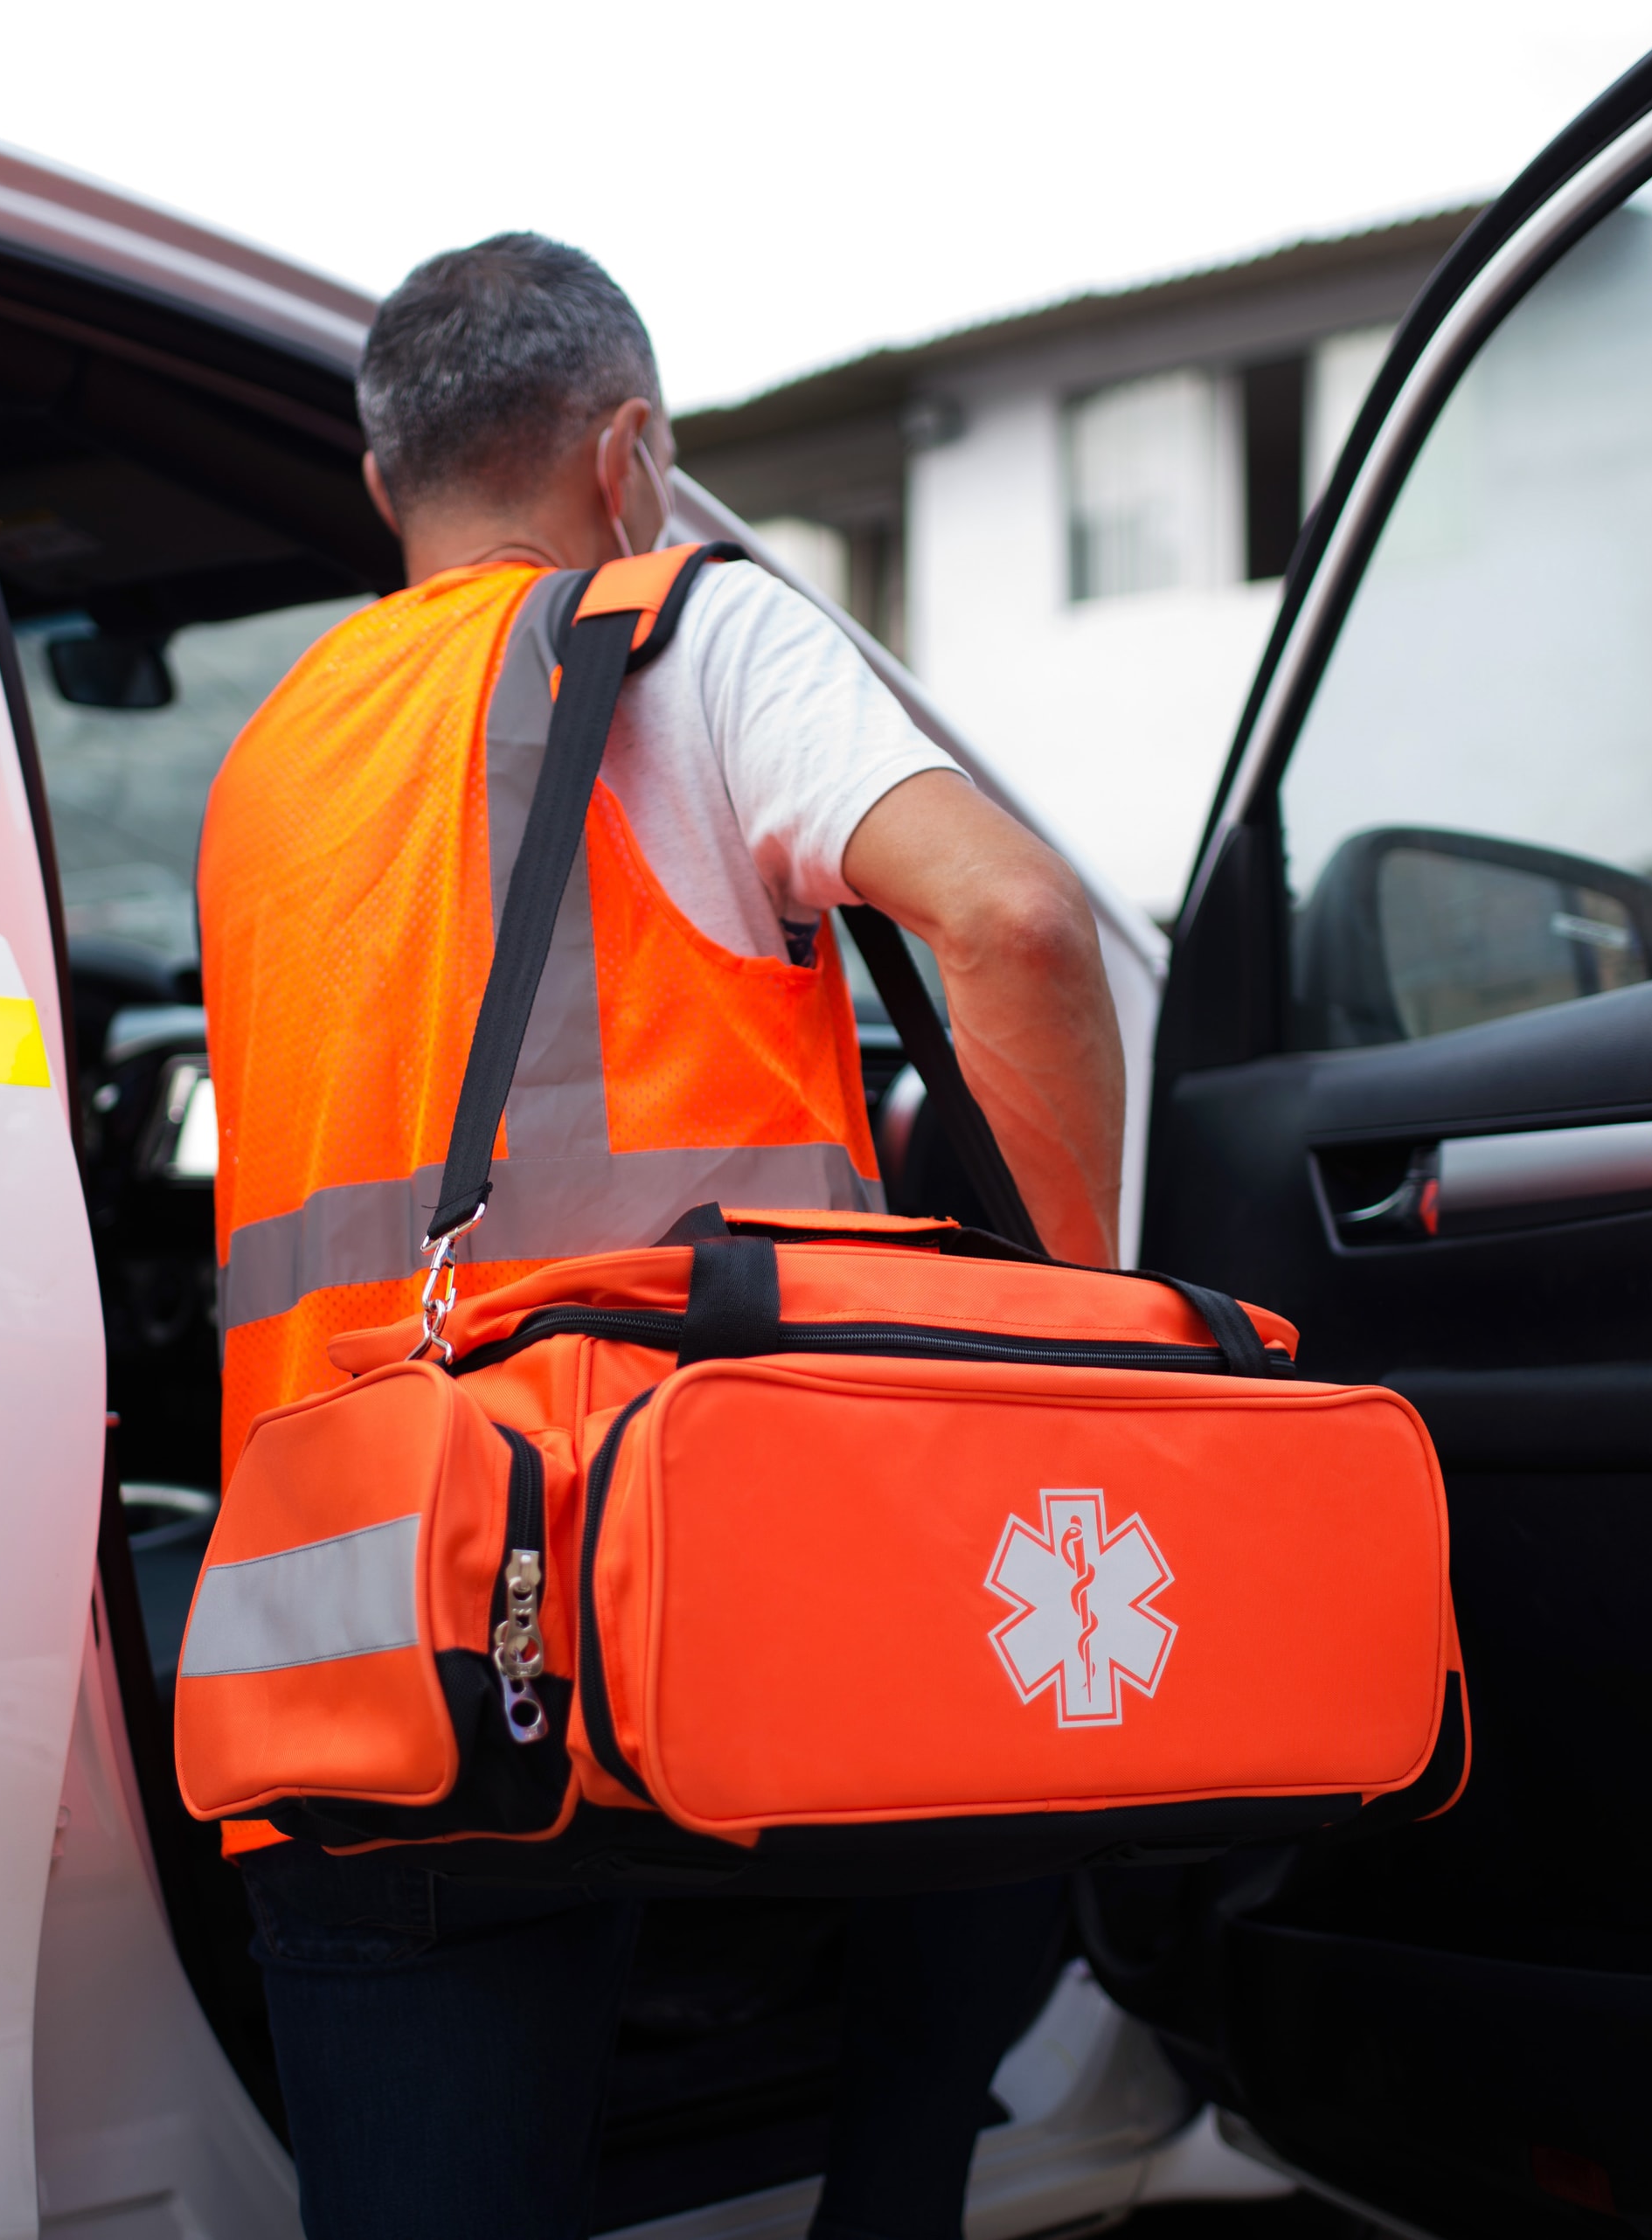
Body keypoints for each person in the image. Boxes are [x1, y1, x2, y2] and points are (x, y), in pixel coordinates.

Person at [193, 233, 1128, 2240]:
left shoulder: (266, 760)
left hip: (351, 1637)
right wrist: (1084, 1377)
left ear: (386, 488)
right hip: (696, 1599)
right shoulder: (688, 634)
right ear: (631, 457)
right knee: (1041, 1752)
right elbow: (1025, 929)